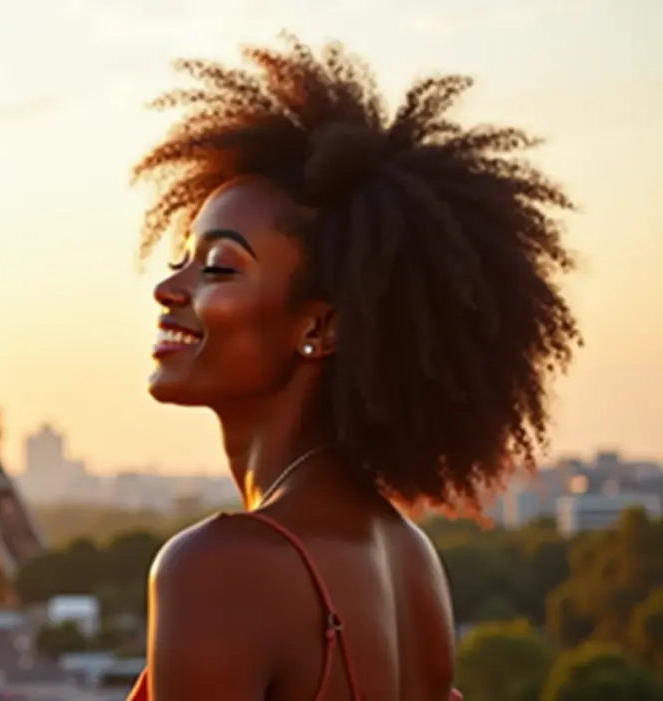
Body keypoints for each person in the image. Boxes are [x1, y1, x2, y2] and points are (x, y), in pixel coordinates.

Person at [125, 33, 581, 701]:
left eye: (219, 266)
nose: (170, 289)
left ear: (319, 325)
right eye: (182, 259)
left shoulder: (220, 570)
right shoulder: (409, 559)